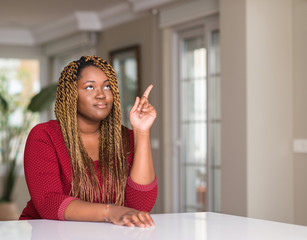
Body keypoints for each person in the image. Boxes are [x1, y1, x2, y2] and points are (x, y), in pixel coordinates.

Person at [19, 55, 157, 228]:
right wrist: (111, 212)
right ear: (71, 95)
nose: (101, 95)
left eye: (107, 86)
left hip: (108, 234)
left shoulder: (126, 138)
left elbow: (140, 206)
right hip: (49, 234)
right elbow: (49, 202)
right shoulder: (45, 136)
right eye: (90, 87)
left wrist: (141, 131)